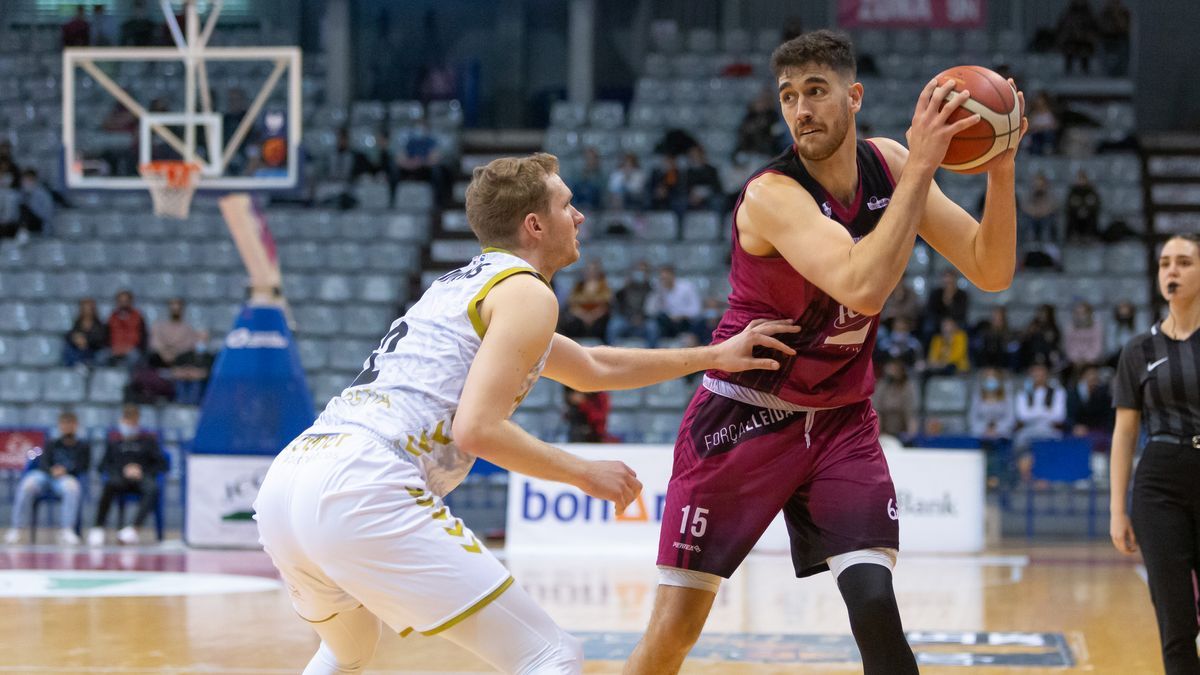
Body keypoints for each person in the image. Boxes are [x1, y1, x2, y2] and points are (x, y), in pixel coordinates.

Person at [252, 152, 798, 675]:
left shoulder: (462, 286)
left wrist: (716, 356)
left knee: (347, 652)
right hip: (363, 482)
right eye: (567, 206)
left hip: (291, 481)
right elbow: (477, 429)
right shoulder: (527, 293)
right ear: (535, 225)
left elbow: (590, 367)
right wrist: (582, 471)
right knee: (550, 656)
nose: (580, 216)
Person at [624, 30, 1024, 675]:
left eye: (816, 91)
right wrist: (922, 168)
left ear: (854, 96)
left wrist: (1000, 165)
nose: (801, 109)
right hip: (745, 417)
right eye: (788, 96)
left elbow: (991, 268)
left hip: (841, 419)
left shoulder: (888, 164)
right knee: (675, 630)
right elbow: (862, 287)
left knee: (874, 603)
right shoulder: (772, 194)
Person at [1110, 233, 1200, 674]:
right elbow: (1125, 433)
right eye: (1166, 263)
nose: (1172, 271)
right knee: (1175, 618)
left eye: (1184, 262)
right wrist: (1116, 510)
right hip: (1159, 485)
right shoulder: (1138, 351)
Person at [4, 411, 90, 546]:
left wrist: (65, 471)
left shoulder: (83, 446)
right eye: (64, 424)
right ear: (60, 425)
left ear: (75, 425)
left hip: (66, 478)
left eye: (70, 424)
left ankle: (67, 530)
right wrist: (52, 470)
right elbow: (43, 462)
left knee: (72, 487)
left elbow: (83, 466)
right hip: (45, 476)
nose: (67, 427)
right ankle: (17, 529)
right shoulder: (52, 443)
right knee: (28, 483)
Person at [88, 405, 167, 546]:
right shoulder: (115, 444)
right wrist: (123, 470)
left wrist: (141, 470)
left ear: (138, 422)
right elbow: (102, 466)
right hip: (120, 480)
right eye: (127, 421)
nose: (129, 425)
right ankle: (98, 528)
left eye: (133, 422)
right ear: (121, 421)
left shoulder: (148, 442)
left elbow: (162, 464)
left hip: (142, 479)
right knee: (109, 485)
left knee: (153, 489)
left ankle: (133, 529)